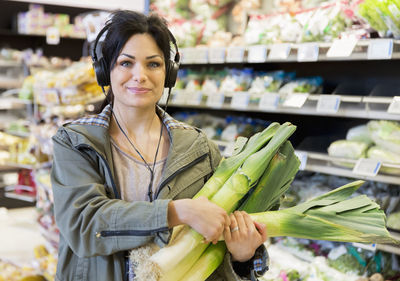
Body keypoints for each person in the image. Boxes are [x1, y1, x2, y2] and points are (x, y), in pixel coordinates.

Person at [51, 10, 268, 281]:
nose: (140, 75)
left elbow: (216, 248)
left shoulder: (200, 149)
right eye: (126, 63)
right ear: (105, 70)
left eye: (153, 64)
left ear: (169, 73)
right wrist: (178, 212)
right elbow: (84, 224)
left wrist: (244, 256)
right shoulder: (76, 142)